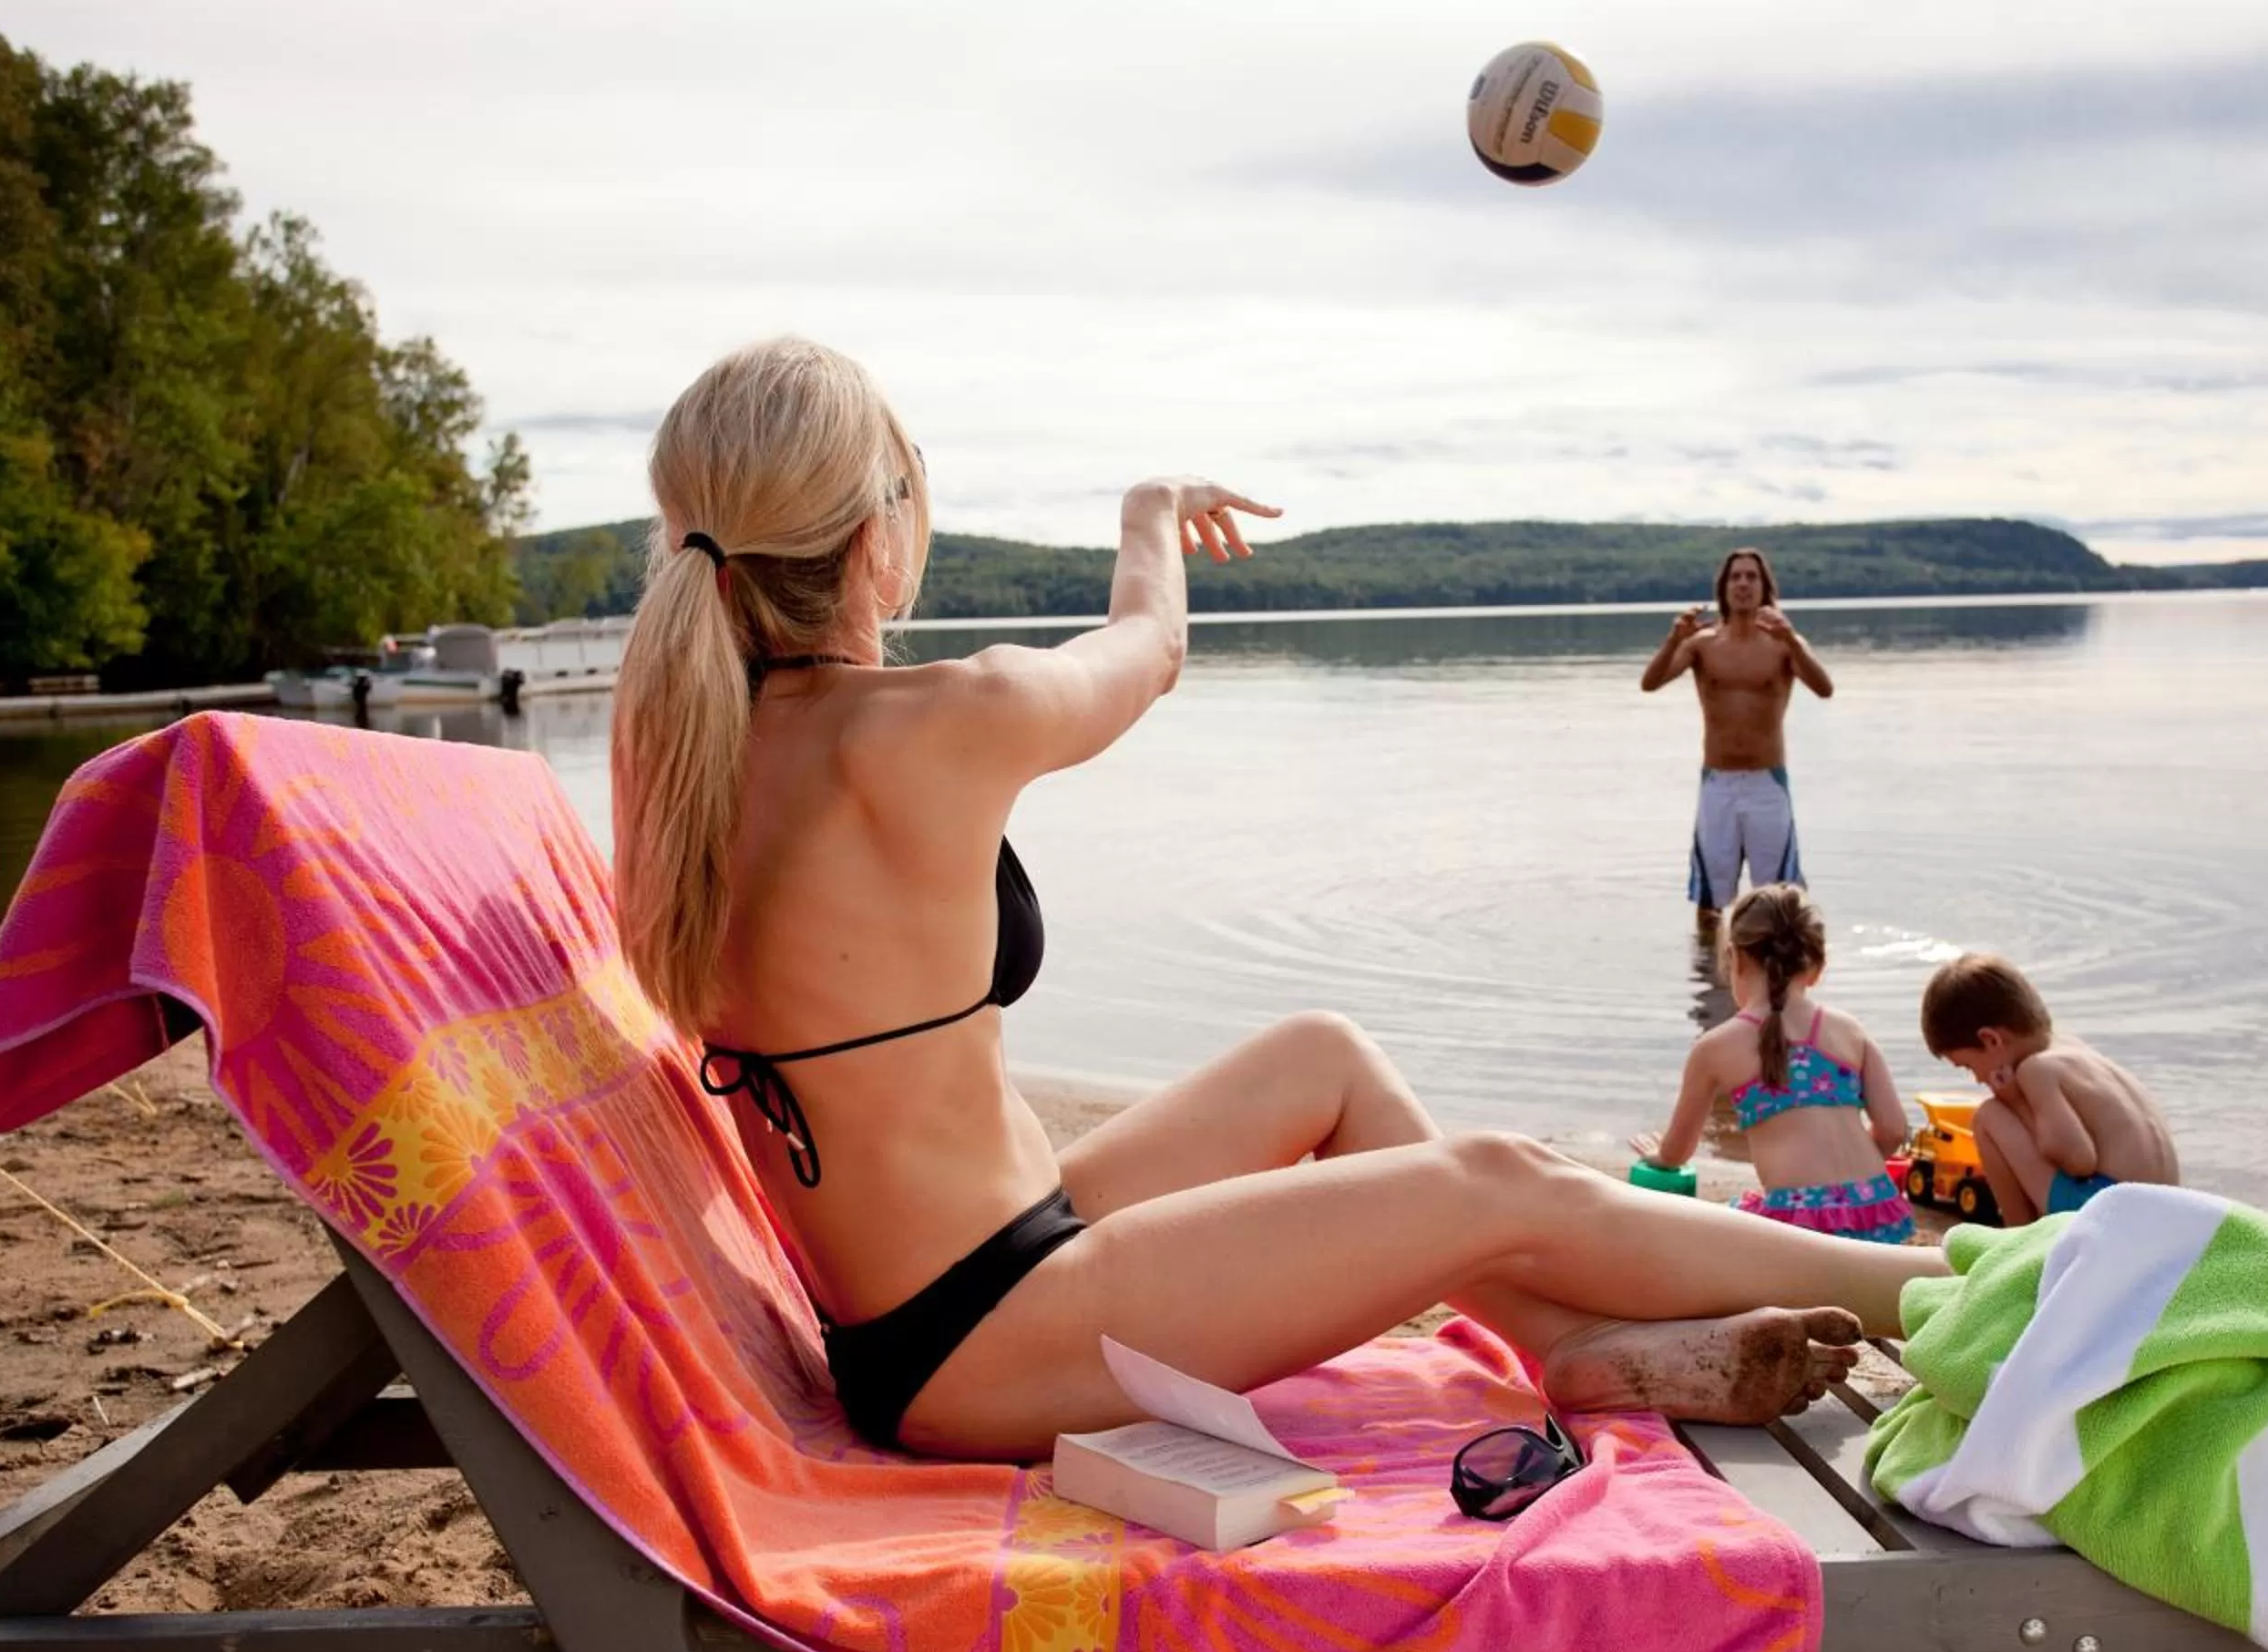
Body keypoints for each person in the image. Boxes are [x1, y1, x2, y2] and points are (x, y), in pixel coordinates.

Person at [610, 337, 1947, 1463]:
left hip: (971, 1271)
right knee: (1501, 1178)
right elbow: (1154, 647)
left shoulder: (676, 754)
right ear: (879, 536)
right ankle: (1947, 1290)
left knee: (1325, 1059)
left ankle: (1577, 1352)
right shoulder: (948, 716)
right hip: (985, 1343)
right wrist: (1149, 513)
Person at [1630, 885, 1916, 1245]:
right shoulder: (1850, 1030)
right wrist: (1848, 1190)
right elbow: (1892, 1128)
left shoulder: (1715, 1048)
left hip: (1799, 1228)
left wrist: (1659, 1155)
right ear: (1815, 968)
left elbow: (1677, 1153)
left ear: (1734, 959)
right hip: (1876, 1210)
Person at [1637, 549, 1834, 930]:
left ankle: (1774, 979)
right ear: (1723, 588)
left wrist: (1791, 639)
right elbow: (1650, 683)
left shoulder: (1783, 644)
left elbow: (1824, 688)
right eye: (1735, 577)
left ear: (1764, 588)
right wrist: (1673, 638)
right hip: (1718, 784)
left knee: (1780, 898)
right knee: (1710, 901)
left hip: (1767, 783)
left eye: (1751, 577)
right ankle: (1711, 977)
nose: (1743, 584)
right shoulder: (1702, 644)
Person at [1919, 953, 2181, 1225]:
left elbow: (2078, 1159)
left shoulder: (2036, 1070)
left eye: (1969, 1066)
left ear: (1991, 1040)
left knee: (1988, 1117)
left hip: (2115, 1213)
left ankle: (2019, 1241)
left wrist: (2017, 1102)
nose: (1976, 1079)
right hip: (2167, 1208)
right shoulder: (2076, 1052)